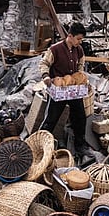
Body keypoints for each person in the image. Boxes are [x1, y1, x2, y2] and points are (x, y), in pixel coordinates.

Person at [39, 22, 93, 158]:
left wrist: (80, 77)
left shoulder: (79, 50)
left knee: (80, 116)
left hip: (74, 90)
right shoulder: (55, 49)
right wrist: (46, 76)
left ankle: (80, 145)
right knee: (51, 118)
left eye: (81, 39)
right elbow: (44, 63)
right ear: (70, 36)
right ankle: (41, 145)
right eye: (78, 39)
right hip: (59, 90)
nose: (80, 42)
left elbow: (81, 63)